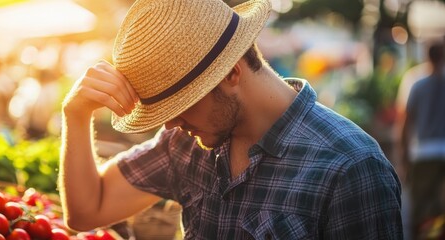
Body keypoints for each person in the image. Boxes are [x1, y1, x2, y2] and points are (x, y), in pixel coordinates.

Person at [58, 0, 403, 238]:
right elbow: (88, 210)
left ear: (231, 74)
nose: (169, 123)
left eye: (180, 105)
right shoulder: (185, 144)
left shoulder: (350, 166)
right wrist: (75, 114)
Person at [396, 40, 445, 239]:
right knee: (439, 207)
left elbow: (405, 121)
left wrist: (403, 154)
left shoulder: (417, 82)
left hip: (423, 152)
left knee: (419, 206)